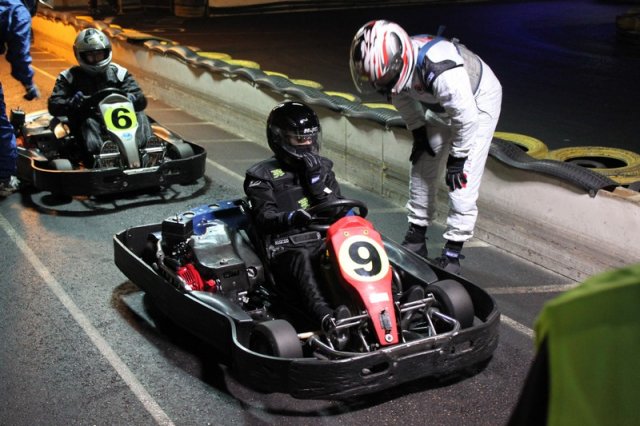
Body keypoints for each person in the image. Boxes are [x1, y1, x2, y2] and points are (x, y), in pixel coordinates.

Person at [349, 20, 502, 274]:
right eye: (373, 78)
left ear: (398, 62)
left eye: (382, 77)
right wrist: (419, 131)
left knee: (462, 178)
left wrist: (458, 157)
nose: (379, 83)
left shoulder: (440, 70)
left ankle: (452, 254)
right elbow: (404, 101)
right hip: (442, 103)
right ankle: (416, 237)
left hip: (477, 99)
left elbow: (466, 118)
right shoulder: (395, 71)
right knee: (422, 163)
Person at [244, 101, 350, 335]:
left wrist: (317, 184)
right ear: (279, 138)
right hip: (285, 247)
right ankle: (326, 318)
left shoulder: (322, 169)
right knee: (303, 257)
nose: (307, 144)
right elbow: (264, 218)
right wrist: (292, 218)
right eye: (300, 139)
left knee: (359, 241)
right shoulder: (261, 176)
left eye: (310, 137)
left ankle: (390, 299)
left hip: (323, 239)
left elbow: (338, 211)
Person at [48, 28, 152, 167]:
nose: (96, 59)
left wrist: (133, 98)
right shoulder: (69, 77)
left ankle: (147, 151)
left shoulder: (119, 73)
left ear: (107, 52)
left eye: (99, 54)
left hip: (117, 118)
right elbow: (54, 105)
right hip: (90, 119)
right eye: (91, 55)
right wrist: (72, 103)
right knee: (89, 121)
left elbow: (140, 99)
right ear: (80, 55)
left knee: (140, 114)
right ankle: (102, 158)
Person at [0, 0, 40, 197]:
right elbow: (19, 54)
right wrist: (29, 83)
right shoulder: (17, 9)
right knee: (2, 129)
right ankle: (5, 179)